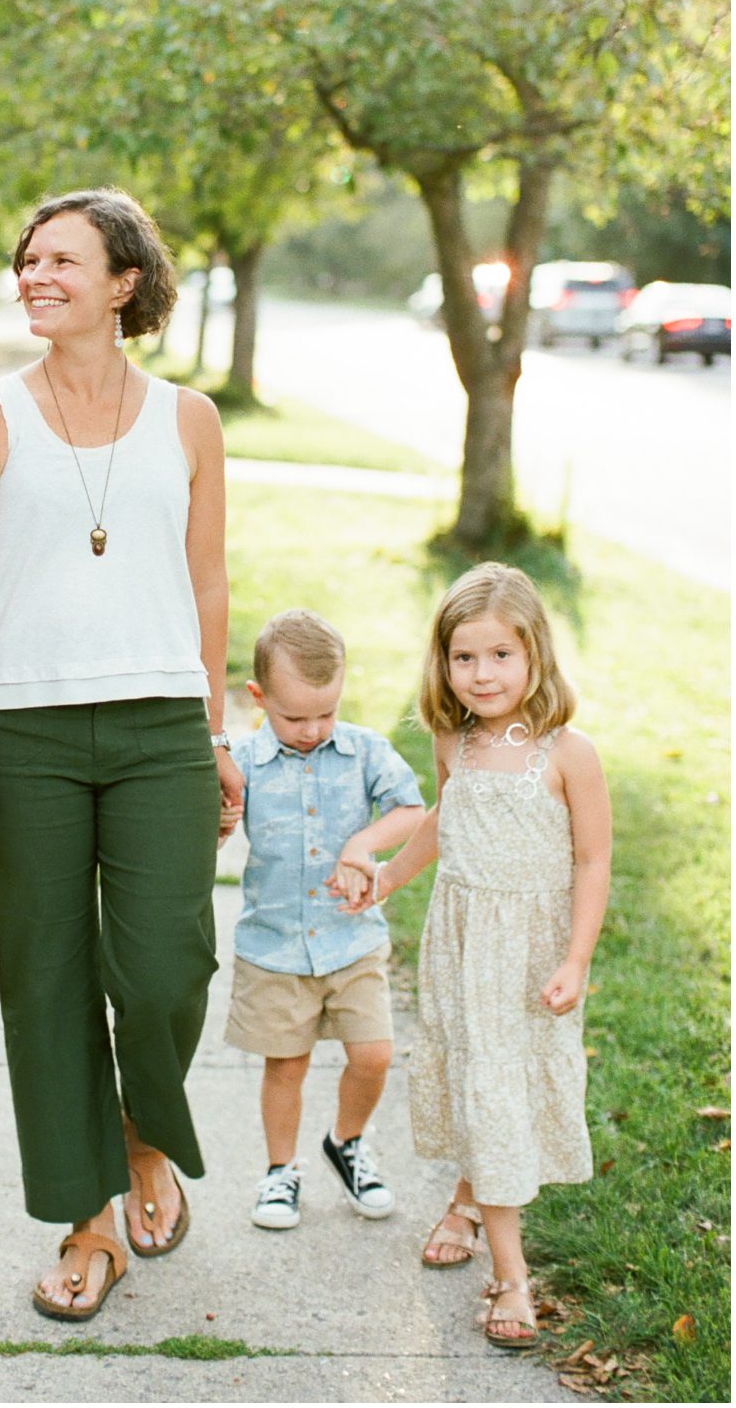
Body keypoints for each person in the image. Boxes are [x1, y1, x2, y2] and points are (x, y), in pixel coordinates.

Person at [0, 188, 242, 1322]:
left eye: (61, 257)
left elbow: (206, 581)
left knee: (165, 967)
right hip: (22, 732)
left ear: (123, 280)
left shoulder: (188, 418)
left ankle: (144, 1128)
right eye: (25, 259)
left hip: (160, 722)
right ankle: (84, 1215)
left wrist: (213, 730)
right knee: (46, 979)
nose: (33, 273)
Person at [341, 562, 611, 1350]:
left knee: (505, 1088)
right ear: (443, 661)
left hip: (531, 954)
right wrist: (390, 874)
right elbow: (442, 817)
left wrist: (578, 957)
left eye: (501, 655)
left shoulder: (567, 752)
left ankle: (494, 1248)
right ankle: (505, 1257)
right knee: (480, 1083)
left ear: (535, 656)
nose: (482, 674)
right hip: (462, 947)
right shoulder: (452, 737)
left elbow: (592, 860)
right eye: (465, 657)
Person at [224, 609, 424, 1232]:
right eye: (294, 717)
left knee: (375, 1053)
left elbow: (412, 810)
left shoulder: (364, 751)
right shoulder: (245, 760)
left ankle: (348, 1143)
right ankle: (279, 1170)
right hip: (275, 945)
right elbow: (214, 822)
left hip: (351, 940)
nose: (311, 729)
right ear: (258, 699)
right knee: (286, 1064)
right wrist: (219, 820)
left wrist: (362, 846)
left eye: (325, 713)